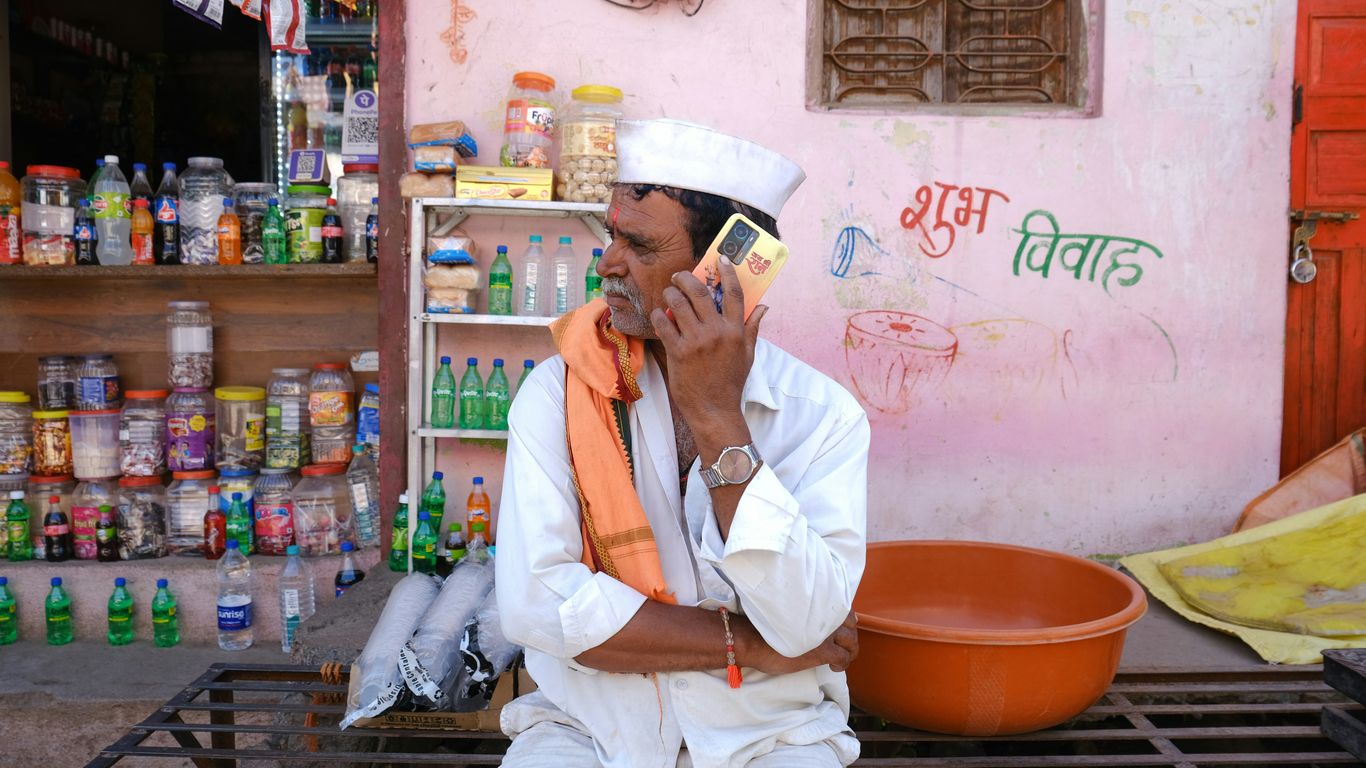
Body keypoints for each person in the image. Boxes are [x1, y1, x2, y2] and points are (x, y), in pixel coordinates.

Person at [495, 118, 870, 768]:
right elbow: (541, 609)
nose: (608, 262)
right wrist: (749, 644)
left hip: (771, 737)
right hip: (586, 730)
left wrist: (717, 418)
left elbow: (810, 624)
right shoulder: (557, 394)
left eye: (637, 244)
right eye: (612, 234)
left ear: (727, 270)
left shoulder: (822, 417)